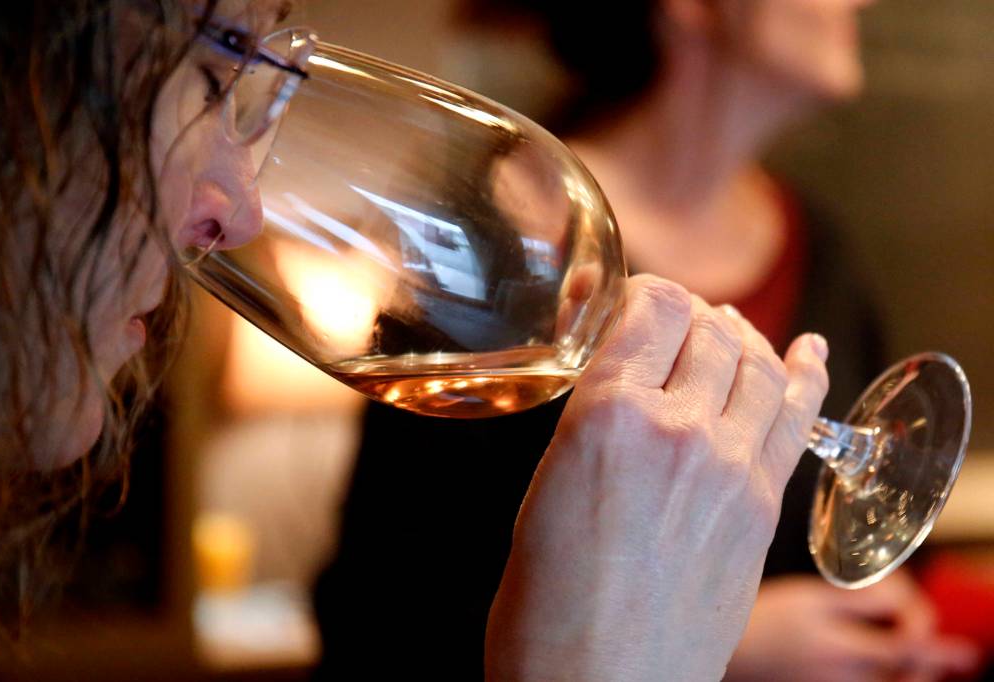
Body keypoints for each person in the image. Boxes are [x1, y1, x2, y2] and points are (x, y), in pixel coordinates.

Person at [0, 1, 830, 678]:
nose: (238, 214)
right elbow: (377, 617)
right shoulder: (503, 232)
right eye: (205, 75)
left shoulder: (824, 244)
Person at [313, 0, 980, 679]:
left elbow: (876, 549)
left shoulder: (821, 246)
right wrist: (733, 646)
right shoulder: (489, 247)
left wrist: (897, 635)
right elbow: (380, 618)